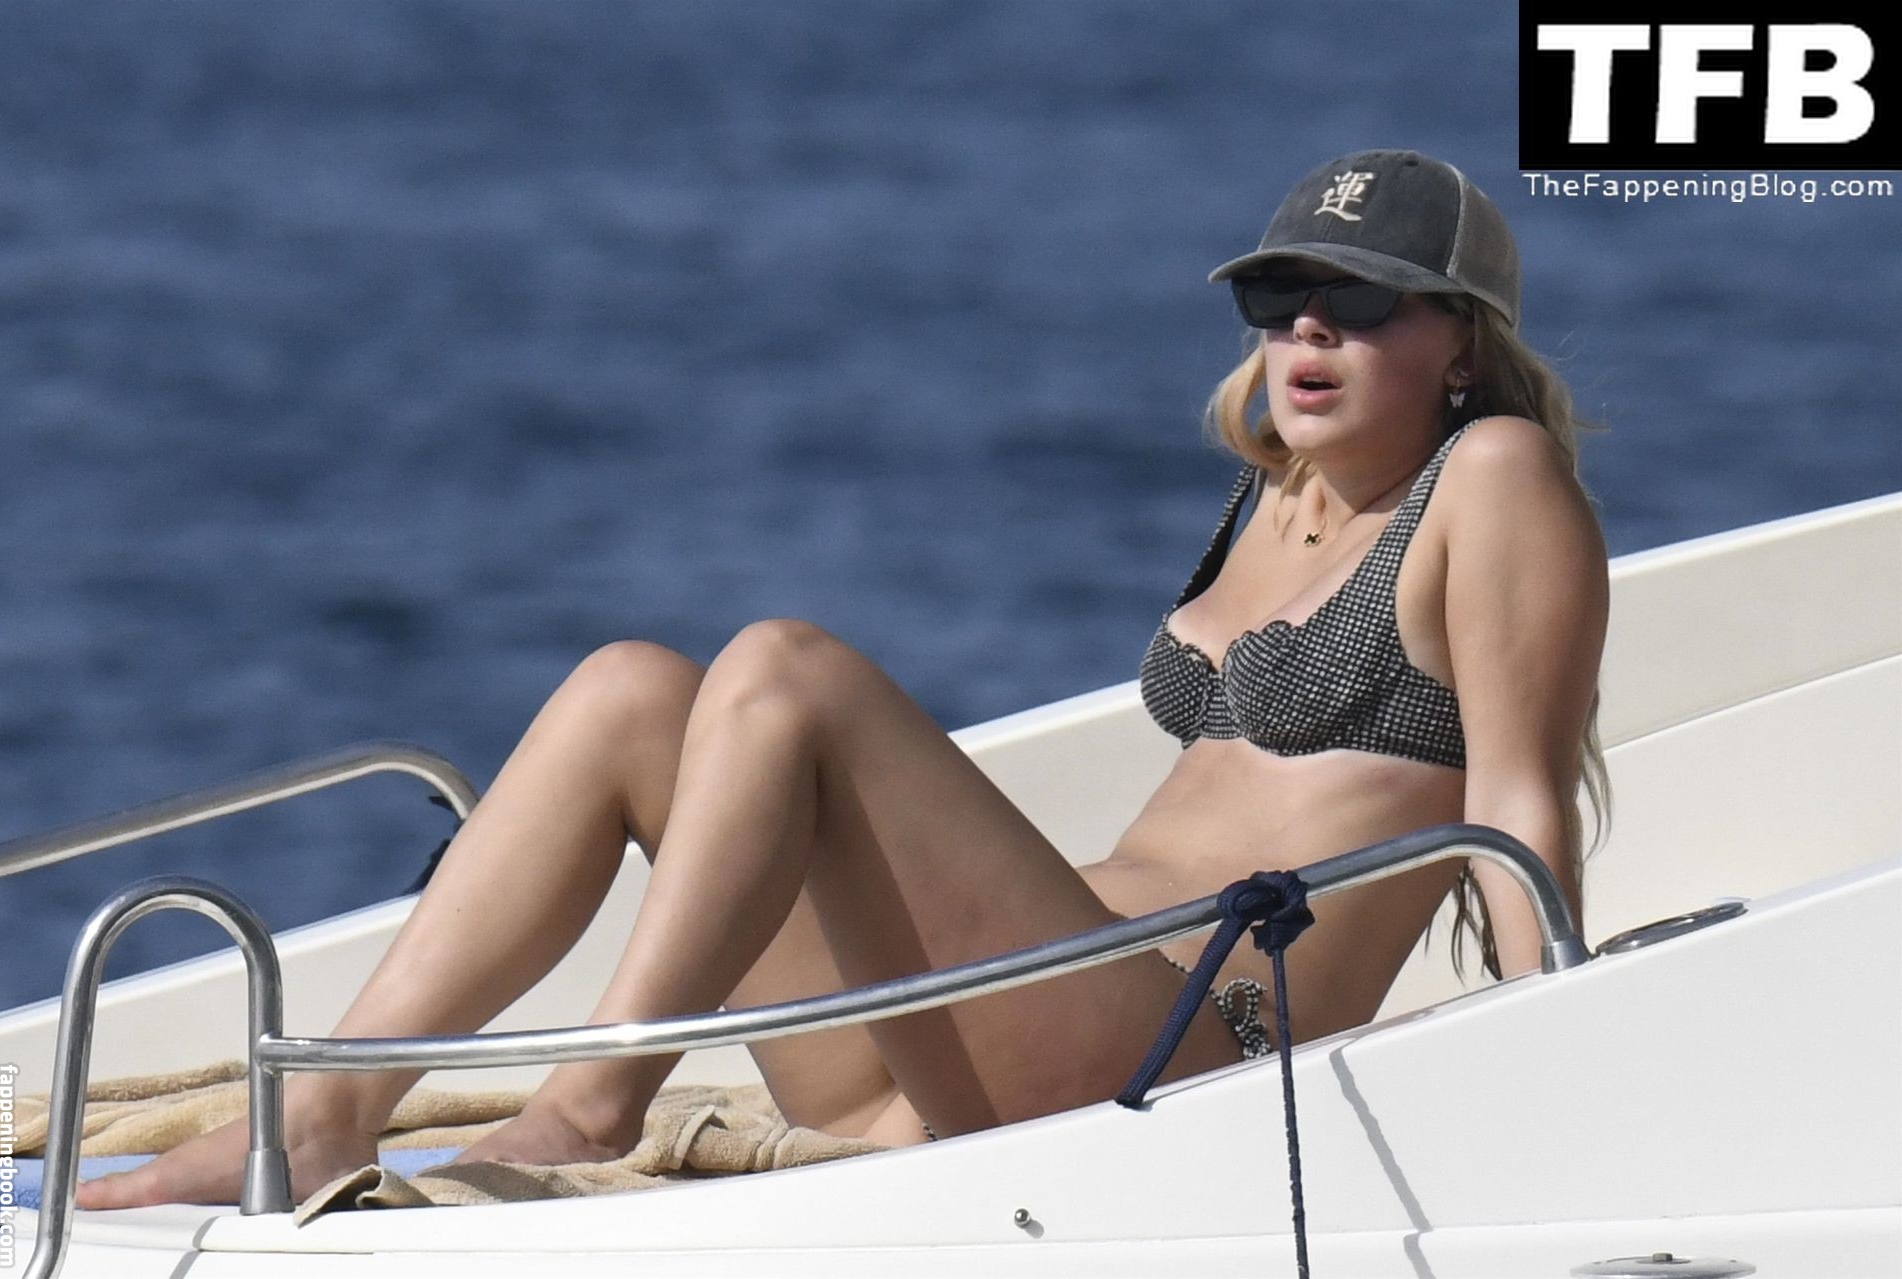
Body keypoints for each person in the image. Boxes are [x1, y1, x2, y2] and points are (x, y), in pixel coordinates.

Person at [78, 147, 1610, 1209]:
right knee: (630, 689)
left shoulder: (1494, 477)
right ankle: (326, 1113)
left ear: (1463, 345)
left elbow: (1520, 809)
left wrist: (1566, 1064)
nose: (1307, 329)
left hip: (1194, 1052)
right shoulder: (1271, 498)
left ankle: (597, 1099)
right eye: (1278, 301)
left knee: (788, 670)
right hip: (968, 1034)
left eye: (1362, 300)